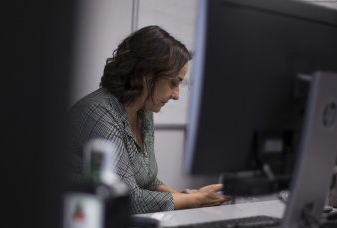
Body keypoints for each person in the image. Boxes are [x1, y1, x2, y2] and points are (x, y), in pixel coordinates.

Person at [66, 25, 232, 214]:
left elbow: (149, 182)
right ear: (147, 76)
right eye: (173, 83)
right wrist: (194, 200)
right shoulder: (99, 114)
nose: (176, 95)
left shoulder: (143, 111)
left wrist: (189, 199)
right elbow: (129, 200)